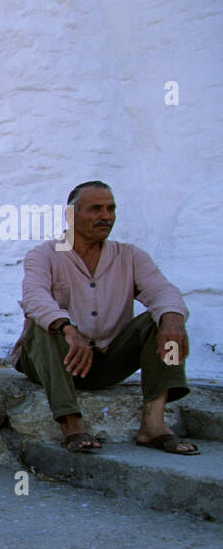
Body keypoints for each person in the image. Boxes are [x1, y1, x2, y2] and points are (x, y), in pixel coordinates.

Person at [11, 181, 194, 454]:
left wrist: (173, 321)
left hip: (105, 360)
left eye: (111, 209)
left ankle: (154, 423)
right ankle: (71, 423)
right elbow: (35, 298)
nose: (106, 216)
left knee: (165, 319)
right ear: (71, 215)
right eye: (97, 209)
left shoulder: (129, 256)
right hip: (50, 358)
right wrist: (68, 329)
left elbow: (162, 290)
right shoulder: (45, 254)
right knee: (44, 325)